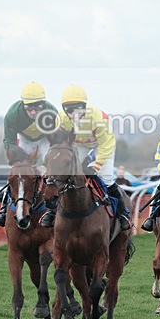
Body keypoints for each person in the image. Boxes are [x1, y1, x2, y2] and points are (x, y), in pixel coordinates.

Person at [39, 84, 131, 231]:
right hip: (80, 144)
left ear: (84, 107)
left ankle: (122, 214)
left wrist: (97, 165)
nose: (73, 114)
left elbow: (106, 145)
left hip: (101, 145)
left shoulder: (99, 118)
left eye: (77, 109)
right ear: (64, 109)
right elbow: (59, 142)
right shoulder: (61, 119)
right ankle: (52, 212)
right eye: (69, 110)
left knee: (106, 179)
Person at [0, 81, 60, 227]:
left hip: (45, 139)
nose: (33, 112)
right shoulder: (13, 114)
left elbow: (57, 143)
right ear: (23, 105)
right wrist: (21, 159)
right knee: (18, 173)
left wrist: (45, 165)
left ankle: (56, 210)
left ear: (44, 104)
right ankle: (4, 209)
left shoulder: (52, 113)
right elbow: (8, 142)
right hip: (25, 139)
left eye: (37, 108)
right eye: (29, 108)